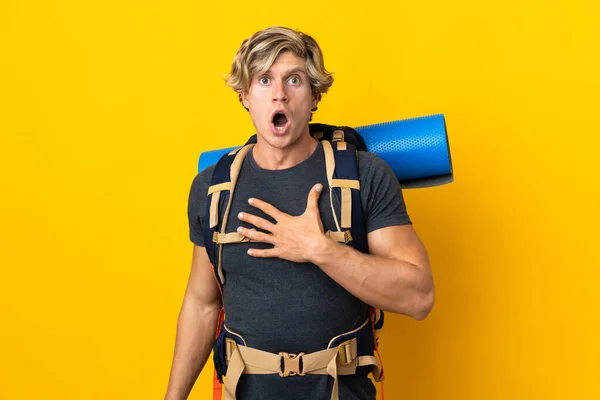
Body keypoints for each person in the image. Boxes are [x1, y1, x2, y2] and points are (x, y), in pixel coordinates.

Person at [164, 26, 435, 400]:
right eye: (263, 80)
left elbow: (419, 298)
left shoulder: (364, 175)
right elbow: (201, 303)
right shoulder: (213, 189)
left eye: (294, 79)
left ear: (314, 96)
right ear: (244, 95)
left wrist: (320, 250)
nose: (279, 94)